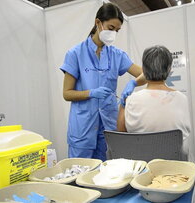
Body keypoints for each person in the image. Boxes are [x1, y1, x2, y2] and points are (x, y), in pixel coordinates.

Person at [60, 3, 146, 161]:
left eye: (117, 31)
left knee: (107, 175)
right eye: (111, 28)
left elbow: (147, 74)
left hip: (108, 126)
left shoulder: (117, 55)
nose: (113, 33)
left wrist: (134, 83)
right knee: (79, 174)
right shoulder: (75, 54)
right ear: (98, 23)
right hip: (83, 128)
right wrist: (91, 93)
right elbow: (67, 94)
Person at [117, 45, 194, 161]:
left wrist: (122, 106)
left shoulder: (131, 100)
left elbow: (121, 132)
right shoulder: (182, 99)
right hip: (174, 165)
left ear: (144, 70)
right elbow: (184, 133)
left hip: (141, 166)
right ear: (169, 70)